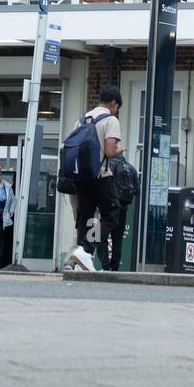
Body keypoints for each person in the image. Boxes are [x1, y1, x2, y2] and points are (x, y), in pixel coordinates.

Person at [66, 86, 123, 272]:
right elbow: (108, 151)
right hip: (100, 176)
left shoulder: (81, 120)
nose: (116, 111)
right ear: (113, 103)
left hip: (80, 177)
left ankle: (77, 265)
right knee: (111, 215)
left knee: (86, 218)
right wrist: (119, 150)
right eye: (117, 107)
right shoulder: (110, 120)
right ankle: (85, 250)